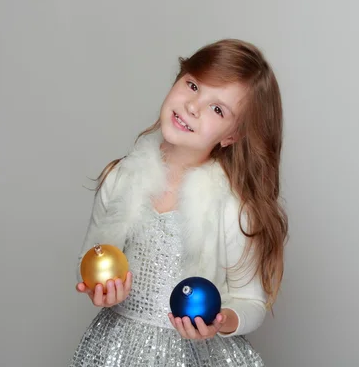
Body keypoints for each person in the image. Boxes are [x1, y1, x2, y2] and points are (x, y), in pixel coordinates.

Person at [69, 38, 288, 366]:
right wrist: (96, 287)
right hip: (116, 352)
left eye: (217, 109)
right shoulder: (121, 178)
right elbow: (91, 256)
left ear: (231, 136)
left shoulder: (231, 207)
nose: (192, 106)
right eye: (193, 85)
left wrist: (220, 320)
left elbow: (251, 302)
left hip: (195, 356)